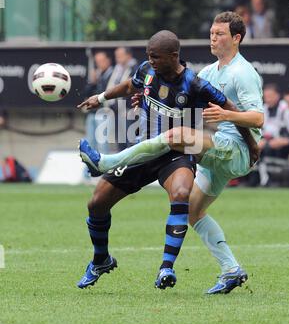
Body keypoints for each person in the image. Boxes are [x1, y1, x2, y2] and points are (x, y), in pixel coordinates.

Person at [78, 18, 262, 294]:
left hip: (232, 149)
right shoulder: (209, 72)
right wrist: (144, 96)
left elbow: (256, 118)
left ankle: (105, 162)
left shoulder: (243, 73)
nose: (213, 38)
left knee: (177, 138)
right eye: (211, 32)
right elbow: (151, 89)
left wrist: (248, 143)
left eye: (220, 34)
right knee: (191, 211)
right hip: (212, 152)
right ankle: (231, 270)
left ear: (236, 38)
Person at [83, 51, 113, 153]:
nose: (99, 64)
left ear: (108, 61)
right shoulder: (97, 75)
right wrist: (92, 82)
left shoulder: (112, 74)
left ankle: (103, 165)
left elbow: (108, 92)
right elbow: (87, 93)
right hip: (92, 112)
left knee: (102, 142)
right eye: (97, 62)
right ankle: (92, 164)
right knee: (90, 140)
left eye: (101, 61)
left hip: (104, 111)